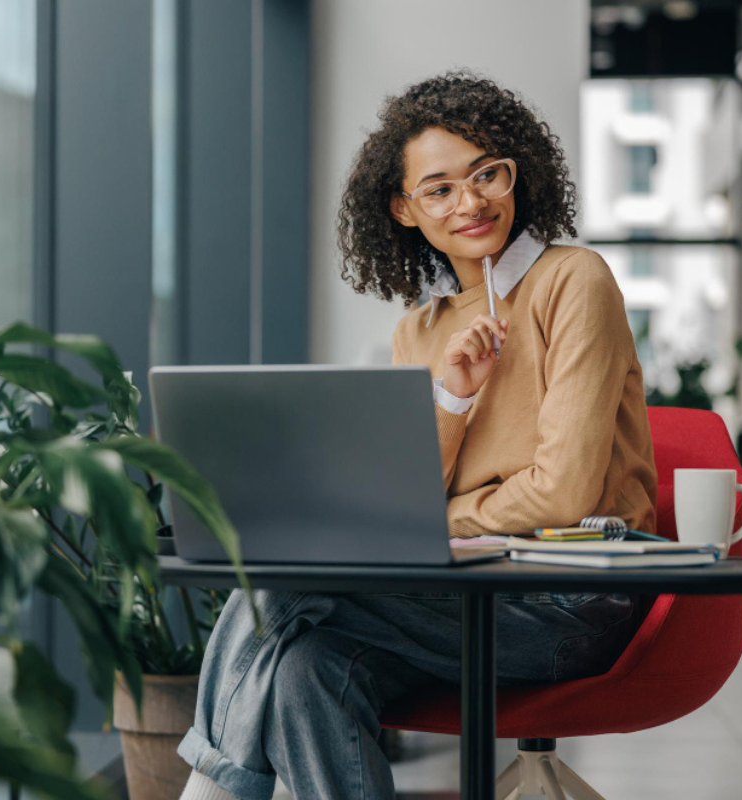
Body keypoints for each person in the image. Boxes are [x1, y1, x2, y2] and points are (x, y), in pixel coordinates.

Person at [175, 71, 658, 800]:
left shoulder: (574, 281)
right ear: (403, 208)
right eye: (439, 189)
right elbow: (401, 502)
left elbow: (561, 496)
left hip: (569, 600)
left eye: (487, 174)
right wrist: (453, 399)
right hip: (453, 598)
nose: (471, 202)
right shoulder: (419, 330)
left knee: (280, 589)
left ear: (517, 173)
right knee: (308, 669)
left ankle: (211, 794)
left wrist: (435, 524)